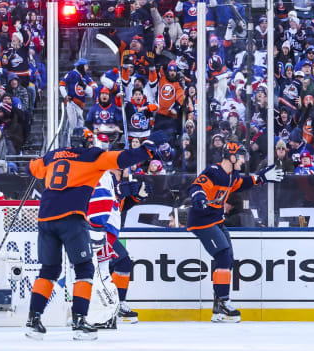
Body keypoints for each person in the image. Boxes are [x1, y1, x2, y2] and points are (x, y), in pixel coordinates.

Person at [24, 127, 154, 340]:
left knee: (48, 269)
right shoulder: (92, 156)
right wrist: (148, 149)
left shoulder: (53, 155)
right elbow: (124, 159)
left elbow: (32, 169)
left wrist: (46, 158)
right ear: (88, 142)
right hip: (72, 218)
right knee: (84, 268)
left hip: (45, 217)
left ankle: (33, 320)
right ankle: (79, 321)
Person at [186, 142, 284, 322]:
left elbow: (242, 183)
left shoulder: (232, 175)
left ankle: (218, 307)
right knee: (223, 256)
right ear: (231, 156)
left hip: (216, 219)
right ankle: (223, 301)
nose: (243, 160)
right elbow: (195, 187)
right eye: (240, 156)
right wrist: (199, 197)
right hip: (202, 221)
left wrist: (261, 177)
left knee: (227, 259)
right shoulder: (214, 172)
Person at [86, 166, 153, 328]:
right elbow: (102, 199)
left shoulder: (119, 183)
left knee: (104, 270)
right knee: (116, 264)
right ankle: (111, 306)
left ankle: (101, 309)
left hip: (108, 232)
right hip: (99, 231)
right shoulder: (103, 179)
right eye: (118, 169)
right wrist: (119, 192)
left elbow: (121, 206)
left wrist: (137, 197)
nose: (121, 172)